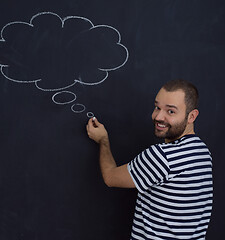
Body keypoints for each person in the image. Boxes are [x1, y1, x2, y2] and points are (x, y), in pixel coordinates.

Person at [86, 79, 213, 240]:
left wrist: (103, 141)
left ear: (191, 116)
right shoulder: (202, 152)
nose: (158, 116)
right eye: (157, 107)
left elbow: (110, 177)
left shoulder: (162, 157)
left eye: (171, 111)